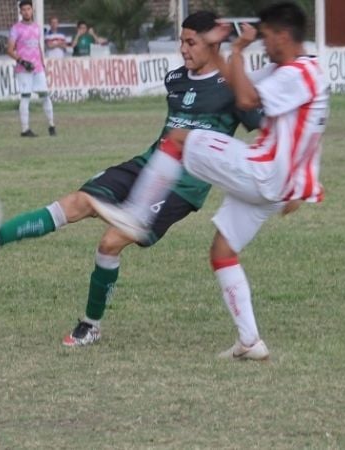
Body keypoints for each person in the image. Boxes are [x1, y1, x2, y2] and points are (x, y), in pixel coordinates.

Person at [0, 11, 261, 347]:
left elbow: (258, 120)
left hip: (184, 186)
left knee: (110, 242)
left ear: (213, 42)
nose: (183, 49)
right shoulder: (175, 79)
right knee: (78, 201)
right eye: (181, 42)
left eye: (191, 43)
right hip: (149, 164)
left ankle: (91, 325)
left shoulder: (233, 86)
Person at [89, 2, 329, 361]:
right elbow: (237, 84)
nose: (264, 44)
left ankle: (137, 215)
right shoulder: (298, 71)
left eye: (266, 37)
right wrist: (224, 50)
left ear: (282, 36)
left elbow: (244, 98)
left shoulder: (297, 74)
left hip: (263, 172)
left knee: (178, 138)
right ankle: (250, 341)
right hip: (277, 183)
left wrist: (236, 50)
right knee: (222, 252)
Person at [7, 0, 56, 137]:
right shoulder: (16, 28)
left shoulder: (36, 27)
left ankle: (51, 125)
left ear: (32, 10)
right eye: (24, 10)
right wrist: (22, 61)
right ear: (20, 12)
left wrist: (42, 63)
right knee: (26, 96)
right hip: (24, 69)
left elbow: (38, 47)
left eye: (28, 9)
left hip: (37, 67)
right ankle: (25, 129)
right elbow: (9, 50)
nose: (26, 12)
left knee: (45, 95)